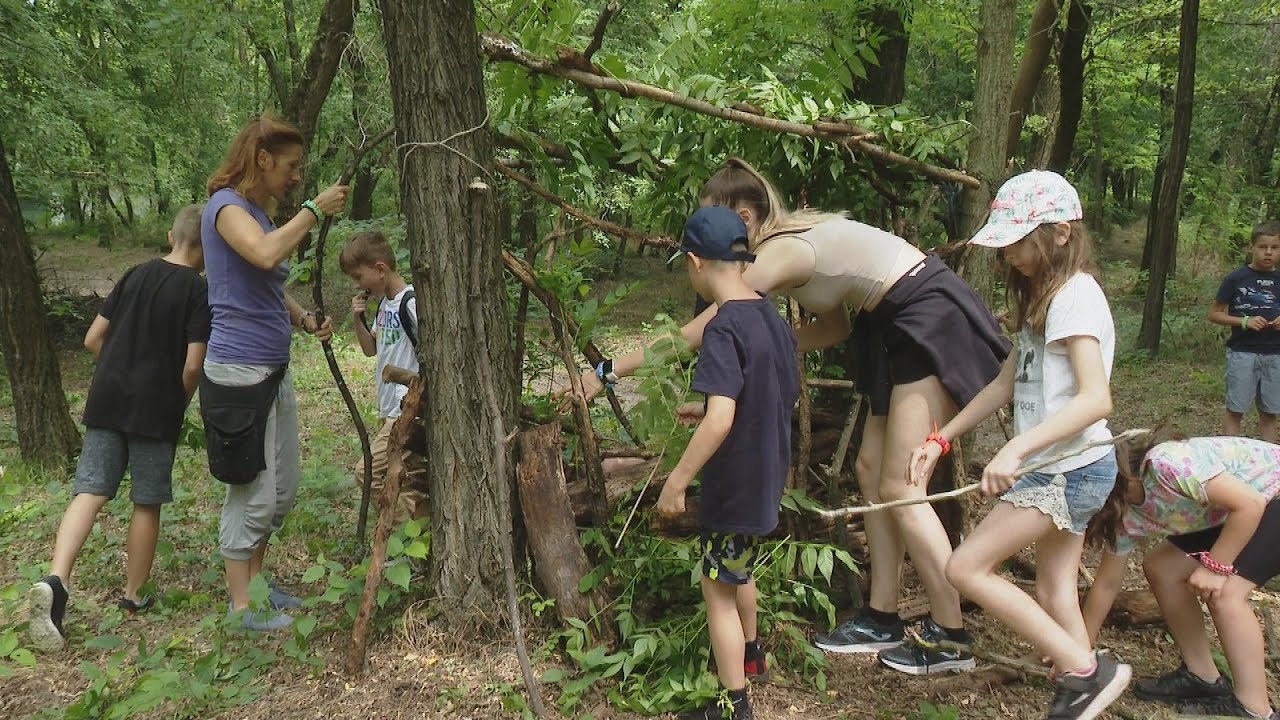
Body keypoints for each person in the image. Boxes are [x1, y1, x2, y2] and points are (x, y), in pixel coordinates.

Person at [561, 158, 1010, 675]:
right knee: (870, 472)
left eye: (717, 224)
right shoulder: (790, 240)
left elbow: (711, 326)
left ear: (745, 218)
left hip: (924, 315)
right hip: (887, 327)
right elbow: (835, 327)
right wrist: (763, 351)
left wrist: (611, 368)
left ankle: (949, 636)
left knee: (902, 482)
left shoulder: (775, 254)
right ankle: (882, 614)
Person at [908, 170, 1129, 719]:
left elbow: (1096, 399)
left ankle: (1084, 672)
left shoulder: (1076, 295)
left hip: (1068, 469)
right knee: (1055, 590)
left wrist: (1016, 450)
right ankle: (1083, 688)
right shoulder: (1043, 299)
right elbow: (1005, 383)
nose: (1007, 256)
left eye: (1016, 243)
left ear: (1059, 234)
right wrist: (942, 438)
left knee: (964, 569)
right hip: (1061, 466)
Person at [28, 205, 211, 652]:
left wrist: (117, 375)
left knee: (90, 489)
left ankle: (57, 577)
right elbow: (193, 365)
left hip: (107, 397)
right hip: (156, 407)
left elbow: (94, 339)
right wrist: (176, 401)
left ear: (171, 236)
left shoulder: (133, 274)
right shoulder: (197, 290)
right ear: (207, 248)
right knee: (146, 502)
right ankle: (133, 597)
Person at [201, 113, 347, 632]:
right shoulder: (224, 208)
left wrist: (303, 317)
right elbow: (263, 256)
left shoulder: (259, 214)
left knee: (282, 487)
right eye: (291, 167)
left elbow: (267, 280)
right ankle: (242, 609)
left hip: (272, 366)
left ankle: (259, 589)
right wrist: (313, 210)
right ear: (262, 160)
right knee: (252, 487)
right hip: (238, 369)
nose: (297, 177)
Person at [655, 206, 799, 720]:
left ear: (695, 261)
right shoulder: (770, 317)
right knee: (740, 567)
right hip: (766, 475)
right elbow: (777, 393)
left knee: (716, 588)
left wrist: (677, 482)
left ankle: (733, 704)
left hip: (732, 483)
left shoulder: (721, 328)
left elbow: (720, 422)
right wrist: (710, 402)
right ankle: (753, 655)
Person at [1082, 434, 1279, 719]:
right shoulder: (1124, 514)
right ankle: (1203, 677)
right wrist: (1078, 650)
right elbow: (1107, 585)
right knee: (1163, 568)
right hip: (1233, 512)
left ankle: (1254, 708)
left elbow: (1249, 504)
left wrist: (1215, 567)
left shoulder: (1165, 467)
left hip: (1269, 495)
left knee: (1226, 595)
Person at [340, 230, 426, 524]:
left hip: (405, 411)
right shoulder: (384, 305)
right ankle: (418, 535)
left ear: (380, 270)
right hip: (388, 410)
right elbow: (369, 349)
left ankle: (408, 530)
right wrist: (357, 318)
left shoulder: (410, 303)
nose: (356, 284)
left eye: (357, 276)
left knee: (366, 473)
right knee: (406, 478)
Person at [1209, 221, 1280, 442]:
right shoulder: (1236, 279)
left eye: (1275, 247)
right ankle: (1230, 458)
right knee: (1236, 409)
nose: (1268, 252)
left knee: (1270, 412)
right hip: (1242, 353)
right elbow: (1214, 314)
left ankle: (1269, 465)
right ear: (1251, 248)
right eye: (1262, 247)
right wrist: (1244, 321)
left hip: (1275, 354)